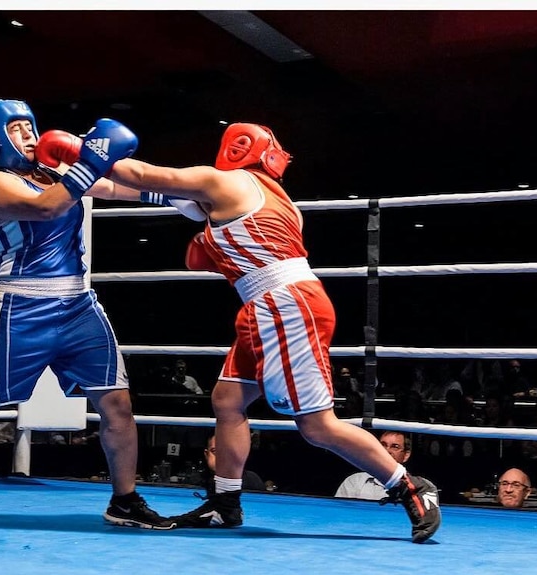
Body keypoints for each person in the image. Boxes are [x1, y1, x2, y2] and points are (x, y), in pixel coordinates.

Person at [38, 122, 442, 542]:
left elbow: (138, 175)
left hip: (285, 304)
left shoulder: (223, 182)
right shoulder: (274, 198)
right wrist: (69, 178)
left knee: (316, 425)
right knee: (228, 400)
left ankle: (410, 487)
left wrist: (80, 148)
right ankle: (225, 502)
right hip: (266, 304)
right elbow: (122, 189)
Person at [0, 99, 176, 530]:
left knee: (116, 403)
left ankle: (124, 499)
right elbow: (45, 208)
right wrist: (88, 161)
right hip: (21, 308)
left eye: (29, 125)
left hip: (79, 305)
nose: (28, 134)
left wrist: (182, 197)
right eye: (16, 128)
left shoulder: (56, 175)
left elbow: (114, 189)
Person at [334, 431, 434, 501]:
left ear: (406, 455)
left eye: (395, 447)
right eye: (383, 445)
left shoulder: (422, 487)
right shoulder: (354, 482)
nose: (387, 451)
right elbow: (339, 515)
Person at [201, 434, 265, 493]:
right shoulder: (195, 481)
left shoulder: (251, 480)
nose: (222, 457)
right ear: (207, 454)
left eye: (228, 452)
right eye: (215, 451)